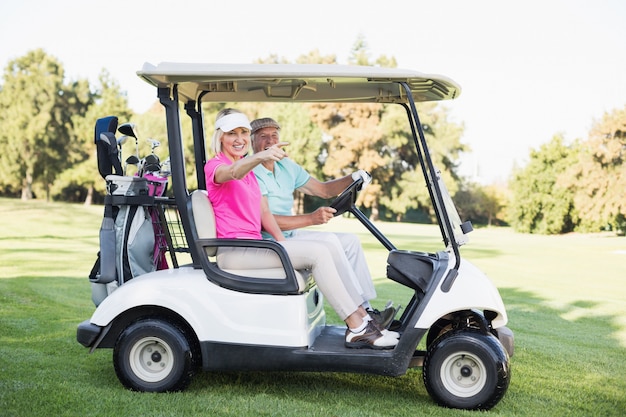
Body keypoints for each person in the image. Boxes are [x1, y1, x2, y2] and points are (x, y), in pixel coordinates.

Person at [203, 108, 398, 349]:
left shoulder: (250, 174)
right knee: (318, 253)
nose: (239, 139)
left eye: (243, 132)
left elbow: (264, 212)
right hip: (236, 251)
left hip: (257, 245)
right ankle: (357, 327)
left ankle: (364, 319)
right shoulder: (216, 166)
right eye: (232, 133)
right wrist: (258, 158)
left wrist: (281, 245)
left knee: (328, 245)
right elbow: (230, 173)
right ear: (220, 137)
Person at [250, 117, 397, 328]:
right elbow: (265, 221)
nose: (270, 141)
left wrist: (354, 177)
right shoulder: (251, 172)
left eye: (274, 135)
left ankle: (367, 309)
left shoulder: (286, 166)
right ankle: (359, 319)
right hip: (268, 240)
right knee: (329, 242)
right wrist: (311, 219)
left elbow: (323, 190)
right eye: (263, 137)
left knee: (350, 241)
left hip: (289, 235)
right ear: (253, 142)